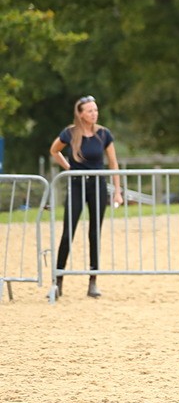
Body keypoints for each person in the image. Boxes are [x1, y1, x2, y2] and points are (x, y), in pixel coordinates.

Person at [49, 95, 123, 298]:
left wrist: (117, 191)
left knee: (94, 233)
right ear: (80, 114)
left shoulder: (104, 134)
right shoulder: (70, 133)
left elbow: (113, 163)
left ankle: (93, 280)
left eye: (96, 110)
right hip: (76, 185)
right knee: (68, 231)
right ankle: (58, 280)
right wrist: (69, 168)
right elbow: (54, 150)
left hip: (97, 185)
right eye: (90, 110)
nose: (94, 113)